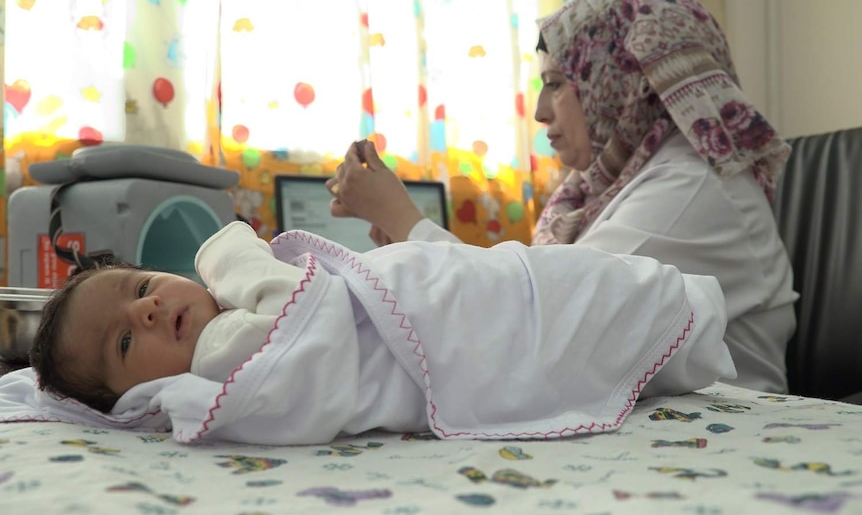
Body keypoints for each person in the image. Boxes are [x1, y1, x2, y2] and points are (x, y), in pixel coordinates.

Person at [327, 0, 797, 394]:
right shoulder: (609, 187)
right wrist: (411, 245)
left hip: (728, 424)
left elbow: (538, 319)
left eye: (555, 83)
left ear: (624, 82)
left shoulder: (692, 187)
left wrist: (405, 223)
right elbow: (531, 301)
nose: (539, 112)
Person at [14, 220, 734, 445]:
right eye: (125, 345)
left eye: (141, 288)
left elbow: (421, 280)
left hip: (447, 300)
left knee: (525, 279)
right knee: (568, 304)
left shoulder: (225, 324)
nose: (144, 311)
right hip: (452, 336)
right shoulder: (225, 360)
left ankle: (678, 320)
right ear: (140, 395)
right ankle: (681, 320)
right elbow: (303, 316)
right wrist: (224, 249)